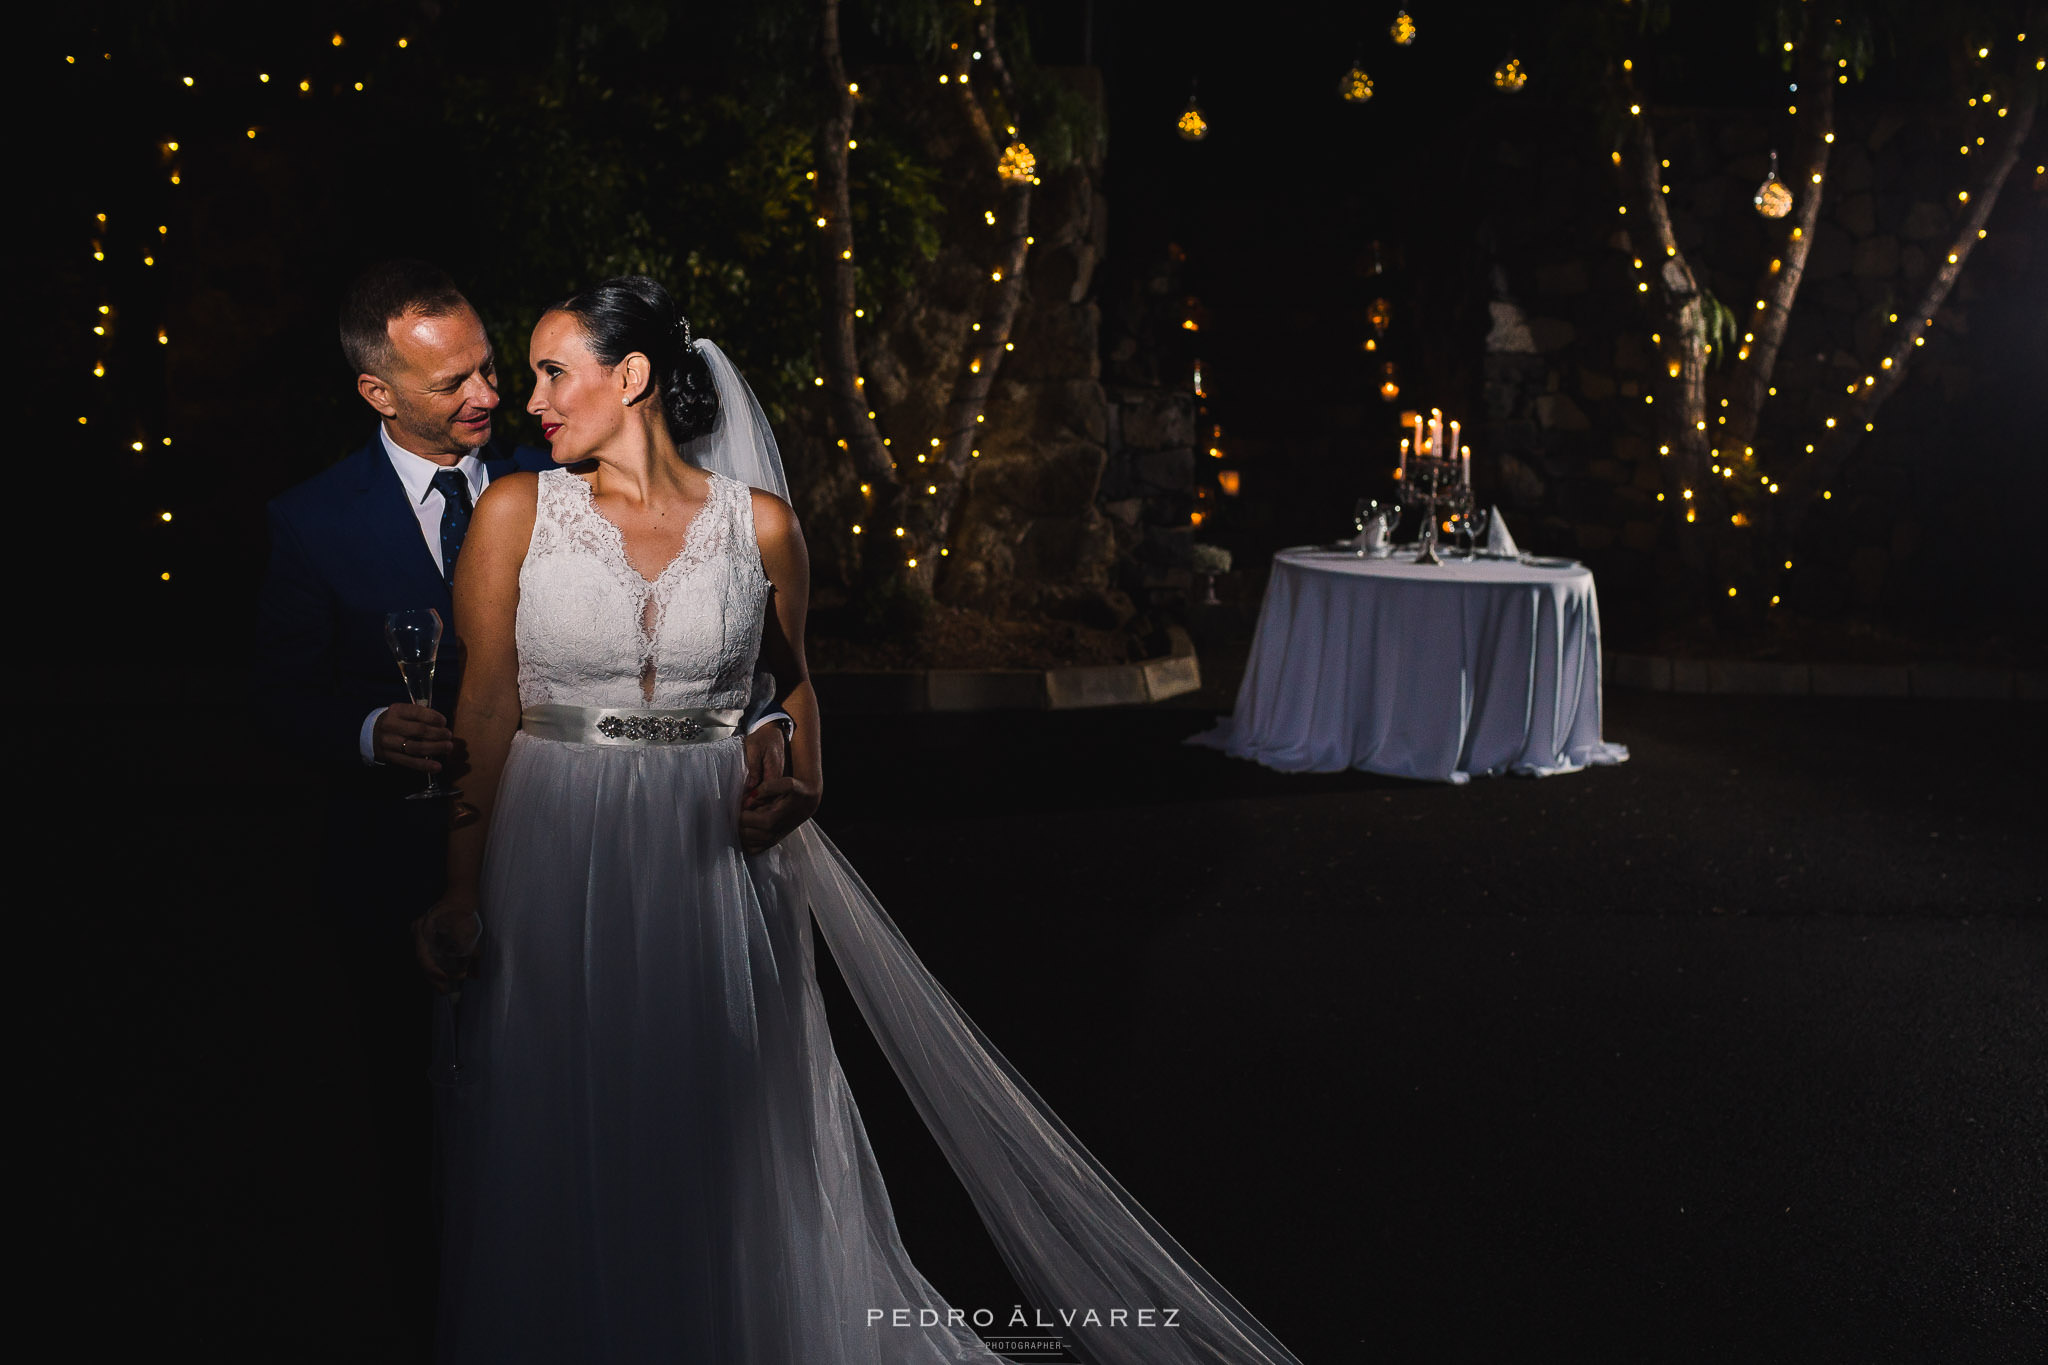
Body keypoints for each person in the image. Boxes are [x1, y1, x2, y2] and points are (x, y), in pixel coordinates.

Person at [419, 276, 1303, 1363]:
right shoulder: (515, 514)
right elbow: (485, 706)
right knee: (561, 1115)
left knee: (718, 1116)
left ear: (632, 377)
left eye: (556, 371)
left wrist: (807, 775)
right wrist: (460, 888)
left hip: (710, 858)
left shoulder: (761, 528)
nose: (534, 400)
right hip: (554, 847)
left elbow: (791, 684)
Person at [255, 260, 792, 1355]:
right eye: (456, 380)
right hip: (421, 849)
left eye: (497, 367)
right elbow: (284, 696)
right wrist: (367, 733)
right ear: (380, 393)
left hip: (609, 840)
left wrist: (774, 742)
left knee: (655, 1107)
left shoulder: (547, 468)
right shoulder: (312, 521)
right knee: (438, 1137)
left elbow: (757, 661)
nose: (494, 395)